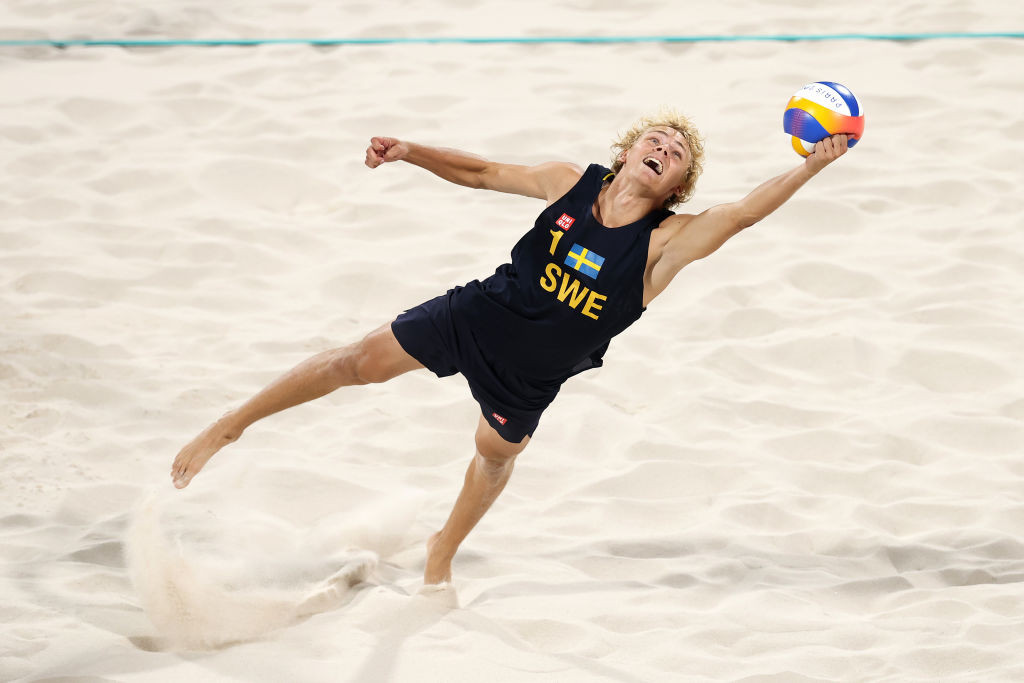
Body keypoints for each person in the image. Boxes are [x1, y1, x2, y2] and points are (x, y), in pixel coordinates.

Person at [171, 110, 851, 584]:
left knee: (492, 459)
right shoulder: (568, 182)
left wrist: (811, 168)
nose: (665, 148)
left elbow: (745, 213)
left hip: (529, 379)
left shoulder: (665, 245)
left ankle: (441, 552)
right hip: (478, 315)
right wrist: (411, 151)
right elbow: (482, 172)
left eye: (677, 155)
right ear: (625, 153)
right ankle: (230, 425)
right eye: (656, 138)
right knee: (355, 361)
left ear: (677, 188)